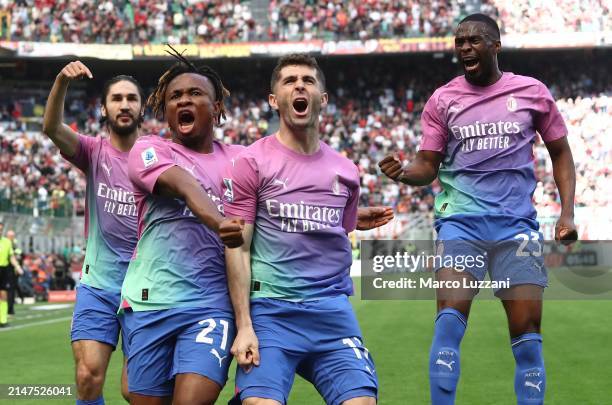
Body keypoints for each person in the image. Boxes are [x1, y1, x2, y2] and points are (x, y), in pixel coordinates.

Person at [378, 14, 577, 405]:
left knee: (527, 338)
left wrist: (567, 213)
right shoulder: (443, 99)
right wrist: (404, 172)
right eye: (459, 41)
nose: (465, 47)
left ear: (496, 45)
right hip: (460, 225)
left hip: (516, 227)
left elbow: (561, 153)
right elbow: (427, 164)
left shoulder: (532, 92)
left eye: (474, 40)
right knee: (449, 326)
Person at [224, 54, 380, 405]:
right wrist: (244, 324)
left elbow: (341, 229)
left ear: (322, 99)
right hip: (271, 313)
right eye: (289, 80)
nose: (299, 85)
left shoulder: (346, 171)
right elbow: (238, 247)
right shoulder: (251, 161)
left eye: (308, 81)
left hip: (331, 313)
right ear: (273, 99)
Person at [121, 50, 244, 405]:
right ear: (165, 109)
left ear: (217, 108)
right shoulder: (148, 150)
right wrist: (220, 221)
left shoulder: (242, 160)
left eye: (195, 94)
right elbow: (185, 186)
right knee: (138, 395)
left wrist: (345, 212)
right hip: (150, 302)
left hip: (211, 305)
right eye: (175, 96)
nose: (184, 100)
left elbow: (281, 198)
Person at [43, 61, 145, 404]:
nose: (125, 105)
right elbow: (52, 126)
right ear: (104, 108)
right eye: (116, 98)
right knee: (87, 376)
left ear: (142, 106)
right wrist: (61, 82)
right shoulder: (93, 151)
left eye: (132, 98)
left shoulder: (158, 156)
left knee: (137, 391)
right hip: (99, 284)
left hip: (146, 288)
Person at [0, 222, 23, 327]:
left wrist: (17, 266)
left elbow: (11, 257)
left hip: (3, 270)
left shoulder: (6, 242)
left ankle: (3, 320)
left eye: (1, 229)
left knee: (4, 295)